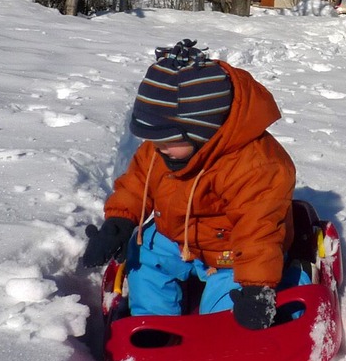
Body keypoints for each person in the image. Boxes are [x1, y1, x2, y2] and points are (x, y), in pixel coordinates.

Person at [80, 39, 297, 330]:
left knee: (225, 308)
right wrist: (119, 222)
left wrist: (257, 287)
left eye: (168, 142)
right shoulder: (164, 148)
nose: (158, 149)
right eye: (154, 140)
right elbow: (137, 183)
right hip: (177, 235)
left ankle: (223, 335)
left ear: (203, 132)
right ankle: (152, 325)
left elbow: (259, 231)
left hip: (233, 249)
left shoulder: (257, 166)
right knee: (144, 260)